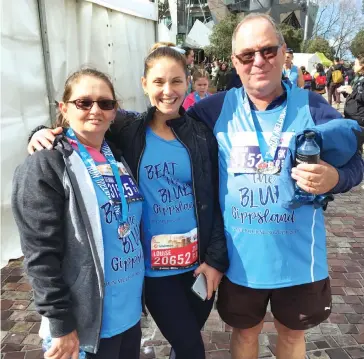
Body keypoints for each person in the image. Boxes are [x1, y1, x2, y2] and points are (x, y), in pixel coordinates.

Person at [27, 46, 229, 359]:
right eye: (158, 81)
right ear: (144, 84)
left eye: (176, 81)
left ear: (188, 83)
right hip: (154, 271)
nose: (167, 90)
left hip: (196, 267)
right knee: (191, 347)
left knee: (186, 341)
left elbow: (215, 199)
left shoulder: (201, 135)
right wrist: (39, 132)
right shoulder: (129, 130)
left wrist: (215, 260)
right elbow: (79, 125)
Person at [186, 13, 364, 359]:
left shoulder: (313, 105)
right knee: (245, 331)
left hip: (299, 260)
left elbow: (356, 161)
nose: (258, 62)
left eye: (267, 51)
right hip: (241, 261)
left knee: (292, 335)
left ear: (285, 53)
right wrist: (55, 130)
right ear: (235, 61)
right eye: (246, 55)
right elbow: (159, 123)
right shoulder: (215, 108)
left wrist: (335, 178)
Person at [12, 68, 145, 359]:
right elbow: (39, 254)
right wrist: (60, 323)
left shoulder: (117, 154)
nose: (95, 110)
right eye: (84, 102)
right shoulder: (45, 164)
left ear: (114, 112)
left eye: (105, 103)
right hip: (87, 326)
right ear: (64, 108)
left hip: (128, 314)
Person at [343, 57, 364, 127]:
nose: (353, 66)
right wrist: (345, 90)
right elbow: (353, 92)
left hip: (359, 118)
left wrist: (352, 92)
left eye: (355, 64)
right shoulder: (357, 77)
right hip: (350, 115)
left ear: (362, 65)